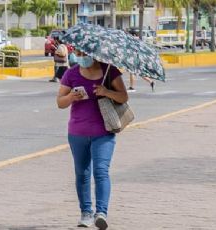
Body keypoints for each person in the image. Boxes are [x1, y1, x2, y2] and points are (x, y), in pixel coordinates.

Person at [57, 50, 128, 229]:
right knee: (82, 173)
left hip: (103, 132)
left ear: (94, 54)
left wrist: (106, 92)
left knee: (101, 171)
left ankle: (101, 213)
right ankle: (86, 213)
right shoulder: (71, 73)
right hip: (77, 133)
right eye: (78, 53)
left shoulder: (109, 71)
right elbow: (60, 102)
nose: (80, 56)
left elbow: (123, 96)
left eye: (84, 53)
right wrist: (71, 97)